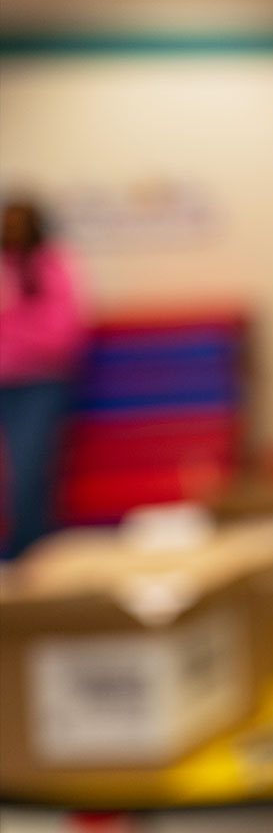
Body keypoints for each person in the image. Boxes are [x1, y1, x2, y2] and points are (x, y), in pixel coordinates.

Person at [0, 196, 87, 560]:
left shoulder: (53, 265)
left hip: (40, 382)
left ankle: (30, 548)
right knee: (11, 473)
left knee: (29, 465)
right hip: (5, 380)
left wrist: (14, 328)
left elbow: (61, 335)